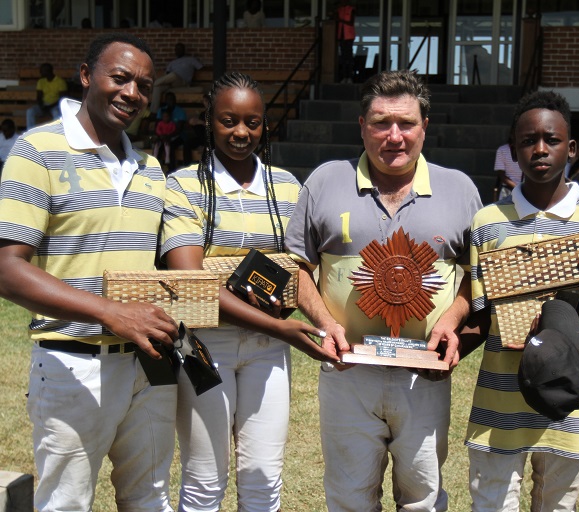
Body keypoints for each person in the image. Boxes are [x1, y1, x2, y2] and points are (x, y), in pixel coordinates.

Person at [284, 69, 482, 511]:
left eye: (406, 123)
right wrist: (326, 323)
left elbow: (476, 274)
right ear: (361, 126)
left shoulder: (460, 189)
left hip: (424, 375)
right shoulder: (324, 182)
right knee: (350, 497)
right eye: (380, 123)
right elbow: (297, 267)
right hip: (347, 372)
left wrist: (452, 321)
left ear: (425, 127)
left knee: (423, 499)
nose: (394, 136)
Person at [0, 33, 179, 512]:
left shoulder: (151, 169)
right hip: (72, 363)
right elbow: (7, 270)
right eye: (119, 78)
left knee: (149, 500)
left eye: (143, 85)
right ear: (85, 76)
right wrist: (112, 313)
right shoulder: (37, 151)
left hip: (150, 365)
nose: (132, 93)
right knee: (66, 504)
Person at [160, 71, 337, 512]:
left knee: (263, 476)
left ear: (265, 125)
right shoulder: (183, 185)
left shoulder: (288, 187)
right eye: (228, 120)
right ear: (209, 121)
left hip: (266, 347)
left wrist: (324, 322)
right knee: (205, 478)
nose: (241, 132)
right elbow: (192, 281)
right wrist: (283, 328)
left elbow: (300, 271)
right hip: (200, 343)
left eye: (252, 122)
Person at [460, 90, 579, 512]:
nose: (540, 149)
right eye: (528, 140)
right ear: (513, 149)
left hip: (566, 407)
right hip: (499, 400)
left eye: (551, 140)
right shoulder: (487, 222)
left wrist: (555, 342)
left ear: (571, 148)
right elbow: (480, 315)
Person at [150, 42, 202, 113]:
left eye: (180, 49)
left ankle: (151, 85)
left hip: (182, 82)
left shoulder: (191, 59)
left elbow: (201, 68)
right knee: (157, 87)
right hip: (171, 84)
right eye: (176, 49)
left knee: (173, 75)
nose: (178, 51)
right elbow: (167, 75)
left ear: (184, 50)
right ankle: (153, 112)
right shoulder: (172, 63)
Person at [26, 62, 68, 129]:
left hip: (55, 105)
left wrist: (50, 107)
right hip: (44, 105)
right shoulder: (41, 81)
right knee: (30, 111)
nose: (40, 72)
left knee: (56, 113)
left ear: (48, 71)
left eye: (42, 71)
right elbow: (39, 97)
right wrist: (41, 106)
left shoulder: (60, 81)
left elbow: (61, 99)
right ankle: (29, 133)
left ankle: (56, 132)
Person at [155, 91, 187, 171]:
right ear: (165, 101)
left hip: (177, 136)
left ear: (175, 100)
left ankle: (171, 169)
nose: (170, 101)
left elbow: (179, 129)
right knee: (158, 145)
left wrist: (168, 137)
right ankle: (157, 168)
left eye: (172, 99)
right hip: (163, 136)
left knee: (170, 145)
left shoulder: (180, 111)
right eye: (168, 99)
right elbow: (158, 125)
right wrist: (161, 136)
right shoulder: (162, 110)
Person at [493, 126, 523, 201]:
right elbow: (501, 175)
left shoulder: (526, 149)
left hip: (526, 189)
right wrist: (516, 187)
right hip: (508, 189)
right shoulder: (502, 150)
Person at [335, 0, 355, 83]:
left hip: (349, 36)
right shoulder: (339, 10)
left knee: (348, 57)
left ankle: (349, 77)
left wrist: (340, 20)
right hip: (341, 36)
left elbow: (351, 22)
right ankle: (344, 77)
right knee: (343, 58)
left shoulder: (351, 9)